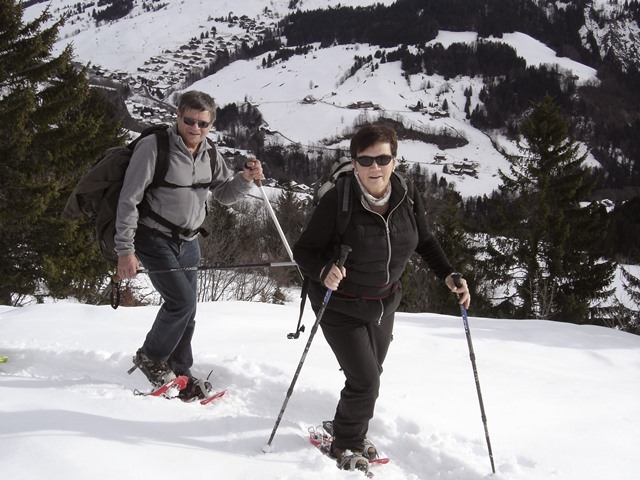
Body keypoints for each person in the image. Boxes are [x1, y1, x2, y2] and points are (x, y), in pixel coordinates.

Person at [293, 124, 470, 472]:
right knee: (366, 380)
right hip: (339, 304)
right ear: (354, 162)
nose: (375, 167)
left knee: (370, 373)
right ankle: (346, 444)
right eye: (365, 160)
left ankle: (345, 427)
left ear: (395, 159)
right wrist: (325, 269)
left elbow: (425, 240)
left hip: (384, 301)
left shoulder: (407, 192)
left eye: (383, 158)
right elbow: (304, 252)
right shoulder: (338, 200)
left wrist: (449, 274)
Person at [115, 90, 263, 400]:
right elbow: (129, 199)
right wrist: (125, 250)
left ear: (211, 125)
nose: (195, 128)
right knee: (180, 302)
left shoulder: (209, 153)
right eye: (189, 121)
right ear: (178, 116)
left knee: (188, 309)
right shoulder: (154, 148)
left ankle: (181, 372)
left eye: (203, 124)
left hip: (189, 240)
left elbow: (224, 193)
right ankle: (150, 357)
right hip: (153, 236)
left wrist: (246, 178)